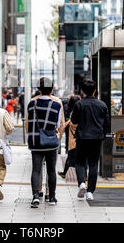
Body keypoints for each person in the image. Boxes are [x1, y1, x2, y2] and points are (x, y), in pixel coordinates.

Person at [25, 77, 65, 208]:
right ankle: (52, 197)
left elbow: (28, 123)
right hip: (51, 141)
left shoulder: (31, 104)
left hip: (36, 141)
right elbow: (58, 125)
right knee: (51, 170)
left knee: (36, 170)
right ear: (52, 89)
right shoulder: (57, 105)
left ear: (39, 90)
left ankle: (36, 196)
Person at [71, 79, 110, 201]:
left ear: (82, 90)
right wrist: (102, 135)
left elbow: (74, 121)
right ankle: (90, 192)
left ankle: (82, 182)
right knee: (93, 164)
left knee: (80, 162)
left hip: (82, 137)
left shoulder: (79, 104)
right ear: (95, 91)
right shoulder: (102, 105)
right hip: (96, 138)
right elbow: (107, 124)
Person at [58, 95, 81, 179]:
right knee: (79, 157)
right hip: (80, 138)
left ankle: (65, 173)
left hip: (74, 138)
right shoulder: (78, 111)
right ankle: (83, 176)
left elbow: (73, 124)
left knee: (71, 156)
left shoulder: (73, 111)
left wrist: (68, 122)